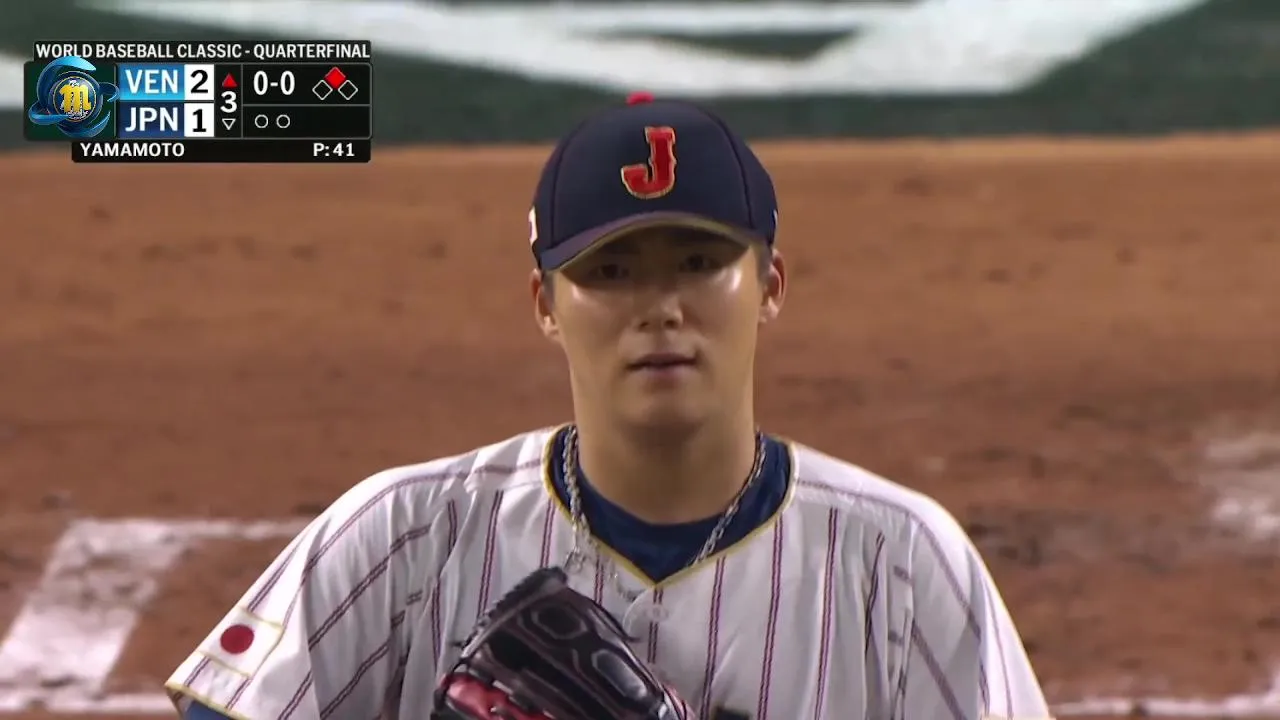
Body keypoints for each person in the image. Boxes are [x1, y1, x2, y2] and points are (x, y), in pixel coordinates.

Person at [166, 92, 1052, 720]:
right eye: (612, 271)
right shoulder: (401, 537)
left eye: (698, 263)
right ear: (546, 305)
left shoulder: (902, 563)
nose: (659, 307)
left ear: (771, 286)